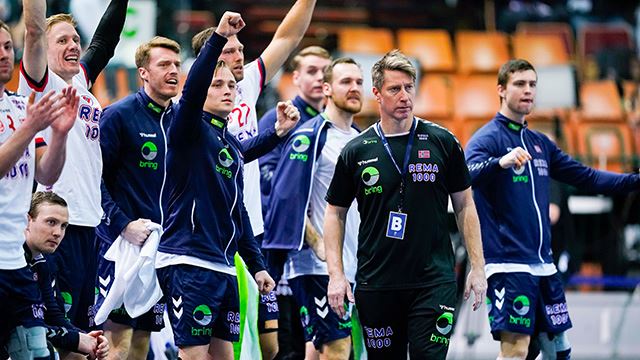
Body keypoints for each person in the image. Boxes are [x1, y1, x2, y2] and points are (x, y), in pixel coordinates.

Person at [464, 58, 640, 360]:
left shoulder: (540, 143)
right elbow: (464, 175)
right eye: (519, 84)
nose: (528, 90)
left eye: (532, 84)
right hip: (509, 264)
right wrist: (499, 163)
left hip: (544, 266)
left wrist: (635, 181)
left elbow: (588, 176)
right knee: (516, 351)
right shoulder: (487, 138)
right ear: (501, 90)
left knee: (559, 352)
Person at [324, 50, 487, 360]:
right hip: (377, 282)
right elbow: (335, 212)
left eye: (409, 87)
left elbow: (465, 204)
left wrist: (478, 268)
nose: (404, 96)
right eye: (394, 89)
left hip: (433, 280)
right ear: (377, 94)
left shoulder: (443, 142)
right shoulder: (356, 150)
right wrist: (336, 273)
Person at [154, 12, 297, 360]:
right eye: (217, 85)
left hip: (223, 265)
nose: (227, 91)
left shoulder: (228, 143)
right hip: (189, 260)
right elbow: (192, 91)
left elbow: (238, 212)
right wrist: (218, 36)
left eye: (231, 86)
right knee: (193, 356)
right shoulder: (185, 127)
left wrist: (257, 264)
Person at [191, 3, 316, 357]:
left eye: (240, 49)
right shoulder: (194, 107)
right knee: (232, 342)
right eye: (230, 49)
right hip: (214, 234)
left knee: (269, 342)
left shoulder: (245, 86)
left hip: (251, 227)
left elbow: (287, 38)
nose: (240, 54)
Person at [18, 0, 129, 331]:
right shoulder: (41, 81)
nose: (73, 45)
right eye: (62, 40)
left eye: (74, 38)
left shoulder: (79, 80)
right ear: (44, 50)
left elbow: (104, 42)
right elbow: (35, 32)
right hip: (56, 223)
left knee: (83, 326)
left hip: (88, 222)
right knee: (58, 328)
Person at [264, 57, 363, 359]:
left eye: (359, 82)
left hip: (351, 264)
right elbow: (286, 200)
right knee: (337, 347)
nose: (355, 88)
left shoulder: (361, 139)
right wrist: (317, 243)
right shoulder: (310, 136)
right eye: (346, 82)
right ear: (327, 88)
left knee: (317, 348)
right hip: (317, 267)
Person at [94, 36, 181, 360]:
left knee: (143, 340)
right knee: (116, 342)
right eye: (164, 65)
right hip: (122, 248)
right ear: (143, 72)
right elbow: (95, 180)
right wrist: (122, 225)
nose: (173, 71)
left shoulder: (182, 120)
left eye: (176, 64)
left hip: (162, 248)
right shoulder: (118, 116)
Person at [0, 18, 79, 358]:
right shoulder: (27, 115)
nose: (4, 54)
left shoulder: (20, 105)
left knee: (39, 353)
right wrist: (30, 128)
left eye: (6, 46)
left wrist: (59, 134)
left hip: (15, 261)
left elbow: (47, 173)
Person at [257, 45, 331, 359]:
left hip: (328, 254)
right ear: (296, 77)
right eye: (311, 71)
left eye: (325, 72)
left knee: (323, 340)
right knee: (286, 345)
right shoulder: (280, 120)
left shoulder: (340, 128)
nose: (319, 78)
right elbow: (267, 180)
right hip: (284, 252)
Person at [24, 191, 110, 359]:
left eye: (63, 226)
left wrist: (87, 338)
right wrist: (76, 339)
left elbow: (54, 316)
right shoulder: (10, 262)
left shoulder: (42, 263)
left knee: (77, 356)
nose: (58, 233)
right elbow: (23, 326)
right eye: (51, 222)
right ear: (28, 220)